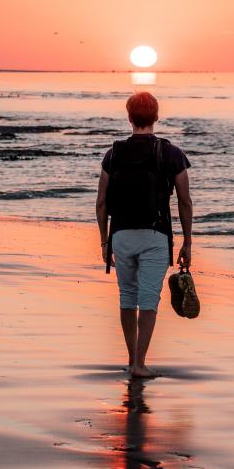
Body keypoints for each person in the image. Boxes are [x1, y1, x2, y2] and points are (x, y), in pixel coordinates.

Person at [96, 91, 193, 378]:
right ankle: (140, 363)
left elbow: (101, 201)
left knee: (127, 297)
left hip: (122, 234)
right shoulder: (171, 153)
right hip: (155, 236)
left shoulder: (113, 154)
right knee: (148, 299)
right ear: (156, 117)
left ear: (129, 117)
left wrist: (104, 241)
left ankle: (131, 360)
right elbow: (184, 201)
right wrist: (188, 241)